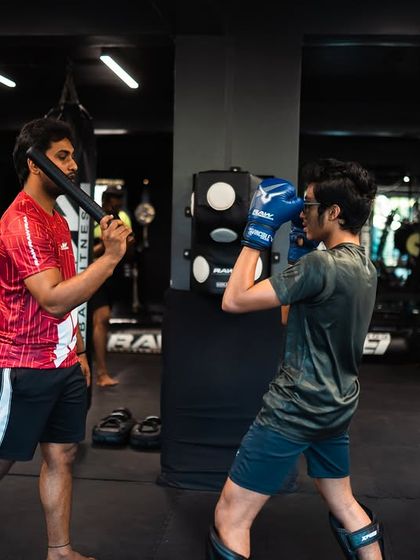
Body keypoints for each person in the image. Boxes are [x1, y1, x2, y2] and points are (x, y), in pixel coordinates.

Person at [207, 160, 385, 560]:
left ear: (333, 212)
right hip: (336, 405)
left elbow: (233, 300)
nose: (301, 213)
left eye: (308, 205)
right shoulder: (365, 267)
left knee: (231, 515)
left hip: (294, 407)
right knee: (345, 504)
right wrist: (297, 254)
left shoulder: (320, 265)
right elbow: (290, 317)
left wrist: (257, 234)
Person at [0, 117, 131, 560]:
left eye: (73, 155)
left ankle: (59, 551)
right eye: (62, 156)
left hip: (62, 362)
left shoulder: (57, 218)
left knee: (62, 454)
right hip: (24, 366)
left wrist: (78, 350)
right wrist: (110, 258)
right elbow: (53, 299)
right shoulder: (23, 222)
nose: (74, 165)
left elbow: (69, 299)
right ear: (36, 163)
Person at [90, 185, 133, 387]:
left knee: (103, 321)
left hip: (113, 275)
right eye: (114, 197)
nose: (118, 201)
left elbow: (129, 245)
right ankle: (101, 374)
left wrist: (126, 241)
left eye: (120, 197)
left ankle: (99, 370)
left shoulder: (123, 218)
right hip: (95, 274)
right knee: (102, 318)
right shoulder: (94, 216)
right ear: (107, 199)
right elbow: (90, 251)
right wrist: (106, 245)